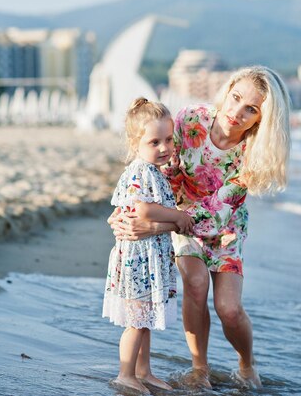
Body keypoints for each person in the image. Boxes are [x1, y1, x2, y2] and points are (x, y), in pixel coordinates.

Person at [109, 66, 291, 389]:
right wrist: (127, 212)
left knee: (229, 309)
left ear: (261, 120)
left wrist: (151, 227)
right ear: (229, 88)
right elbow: (156, 167)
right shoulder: (191, 119)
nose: (237, 112)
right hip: (178, 219)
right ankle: (200, 369)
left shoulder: (251, 155)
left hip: (224, 229)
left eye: (251, 109)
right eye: (236, 98)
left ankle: (246, 364)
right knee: (195, 283)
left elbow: (217, 211)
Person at [102, 97, 195, 394]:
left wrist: (174, 220)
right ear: (135, 142)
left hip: (149, 255)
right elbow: (143, 210)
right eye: (154, 142)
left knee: (145, 320)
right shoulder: (140, 171)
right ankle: (125, 373)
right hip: (138, 259)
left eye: (168, 140)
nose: (164, 148)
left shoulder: (154, 172)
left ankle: (144, 370)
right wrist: (178, 216)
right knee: (136, 321)